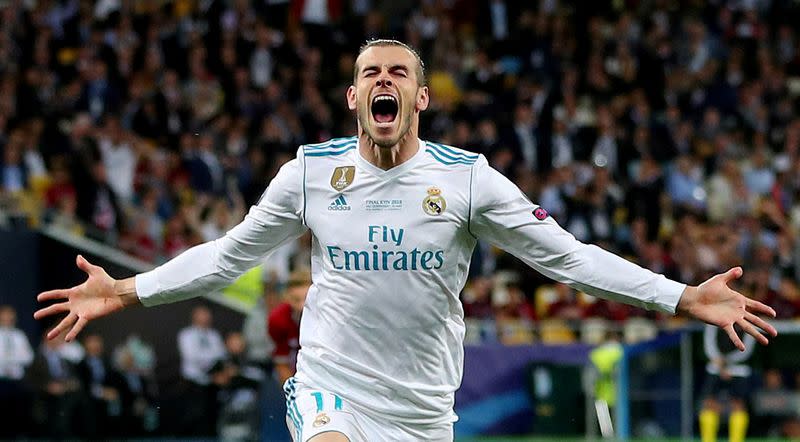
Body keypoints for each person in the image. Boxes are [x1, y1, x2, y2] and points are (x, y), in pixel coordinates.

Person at [35, 39, 778, 442]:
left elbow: (571, 260)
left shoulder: (468, 181)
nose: (383, 80)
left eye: (399, 72)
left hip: (424, 409)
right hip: (332, 387)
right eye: (369, 73)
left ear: (419, 98)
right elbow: (229, 255)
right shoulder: (309, 173)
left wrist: (681, 295)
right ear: (355, 98)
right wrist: (128, 289)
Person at [699, 324, 756, 442]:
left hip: (739, 370)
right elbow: (709, 342)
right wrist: (719, 362)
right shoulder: (714, 317)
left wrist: (727, 362)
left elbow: (747, 348)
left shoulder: (746, 319)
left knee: (738, 405)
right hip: (715, 367)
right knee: (709, 404)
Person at [176, 305, 226, 436]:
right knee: (192, 417)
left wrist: (207, 359)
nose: (205, 317)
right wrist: (209, 356)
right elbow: (191, 356)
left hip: (211, 383)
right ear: (194, 316)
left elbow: (221, 354)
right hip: (192, 383)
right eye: (202, 314)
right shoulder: (186, 334)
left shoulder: (214, 335)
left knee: (210, 418)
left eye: (207, 314)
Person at [268, 269, 311, 384]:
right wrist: (294, 391)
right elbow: (281, 363)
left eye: (307, 299)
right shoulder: (277, 320)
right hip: (294, 372)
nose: (302, 306)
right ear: (287, 297)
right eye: (297, 300)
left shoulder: (328, 317)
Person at [0, 305, 34, 437]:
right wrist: (15, 358)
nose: (8, 320)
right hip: (1, 379)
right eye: (5, 317)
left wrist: (8, 359)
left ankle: (18, 434)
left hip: (17, 379)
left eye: (10, 317)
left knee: (19, 409)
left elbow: (28, 357)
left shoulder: (19, 336)